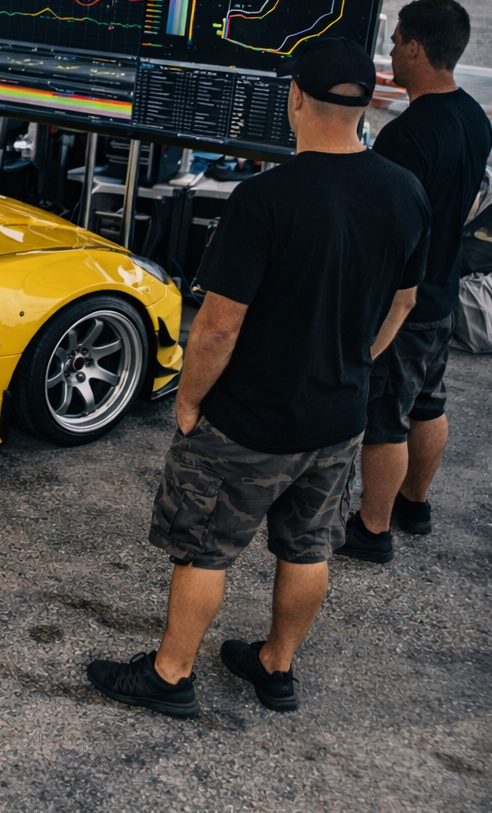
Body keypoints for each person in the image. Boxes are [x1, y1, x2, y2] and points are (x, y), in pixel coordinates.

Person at [87, 38, 430, 717]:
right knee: (308, 547)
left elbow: (217, 326)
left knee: (205, 550)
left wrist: (187, 400)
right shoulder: (404, 190)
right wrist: (357, 362)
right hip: (337, 417)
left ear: (295, 97)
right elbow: (405, 302)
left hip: (249, 420)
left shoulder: (265, 198)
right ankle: (276, 667)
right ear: (365, 106)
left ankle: (171, 675)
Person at [337, 0, 492, 562]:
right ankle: (414, 506)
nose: (392, 52)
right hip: (444, 288)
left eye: (397, 40)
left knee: (385, 417)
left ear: (416, 49)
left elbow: (390, 229)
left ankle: (372, 530)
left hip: (406, 301)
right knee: (428, 403)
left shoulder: (407, 135)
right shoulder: (474, 116)